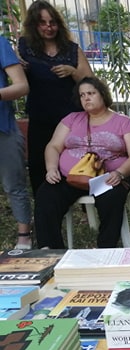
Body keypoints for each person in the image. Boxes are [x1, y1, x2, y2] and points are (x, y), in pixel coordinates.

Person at [35, 77, 130, 248]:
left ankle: (105, 248)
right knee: (46, 194)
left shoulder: (123, 122)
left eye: (91, 93)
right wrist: (51, 168)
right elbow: (54, 146)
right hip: (70, 176)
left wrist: (120, 173)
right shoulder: (72, 119)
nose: (86, 98)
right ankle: (50, 249)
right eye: (82, 95)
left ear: (103, 95)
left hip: (108, 178)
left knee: (111, 199)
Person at [18, 0, 93, 196]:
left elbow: (91, 83)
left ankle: (88, 206)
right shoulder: (25, 47)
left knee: (80, 163)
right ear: (34, 25)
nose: (49, 27)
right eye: (43, 23)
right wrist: (20, 69)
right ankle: (46, 209)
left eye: (52, 22)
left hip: (71, 118)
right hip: (40, 116)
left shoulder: (71, 49)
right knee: (39, 166)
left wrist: (73, 72)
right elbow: (17, 80)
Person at [0, 36, 32, 250]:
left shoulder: (0, 43)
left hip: (3, 127)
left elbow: (22, 86)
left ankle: (25, 235)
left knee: (14, 184)